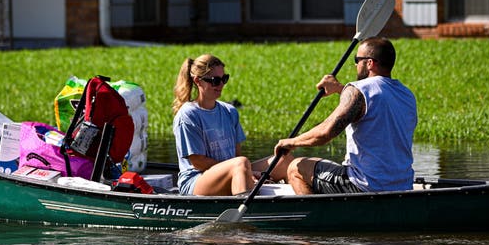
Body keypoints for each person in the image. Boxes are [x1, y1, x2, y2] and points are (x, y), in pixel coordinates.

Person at [274, 37, 417, 194]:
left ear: (370, 63)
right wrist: (339, 88)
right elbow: (372, 102)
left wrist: (292, 142)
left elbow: (325, 133)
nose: (356, 65)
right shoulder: (406, 94)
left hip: (363, 186)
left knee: (296, 167)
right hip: (403, 186)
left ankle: (317, 218)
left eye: (357, 60)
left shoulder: (358, 89)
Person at [173, 54, 292, 196]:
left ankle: (300, 203)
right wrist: (244, 172)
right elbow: (198, 162)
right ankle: (246, 212)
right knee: (240, 164)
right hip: (196, 181)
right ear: (198, 81)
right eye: (215, 81)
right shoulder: (188, 114)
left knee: (284, 160)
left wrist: (246, 172)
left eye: (224, 79)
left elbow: (236, 154)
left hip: (234, 169)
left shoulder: (230, 111)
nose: (221, 85)